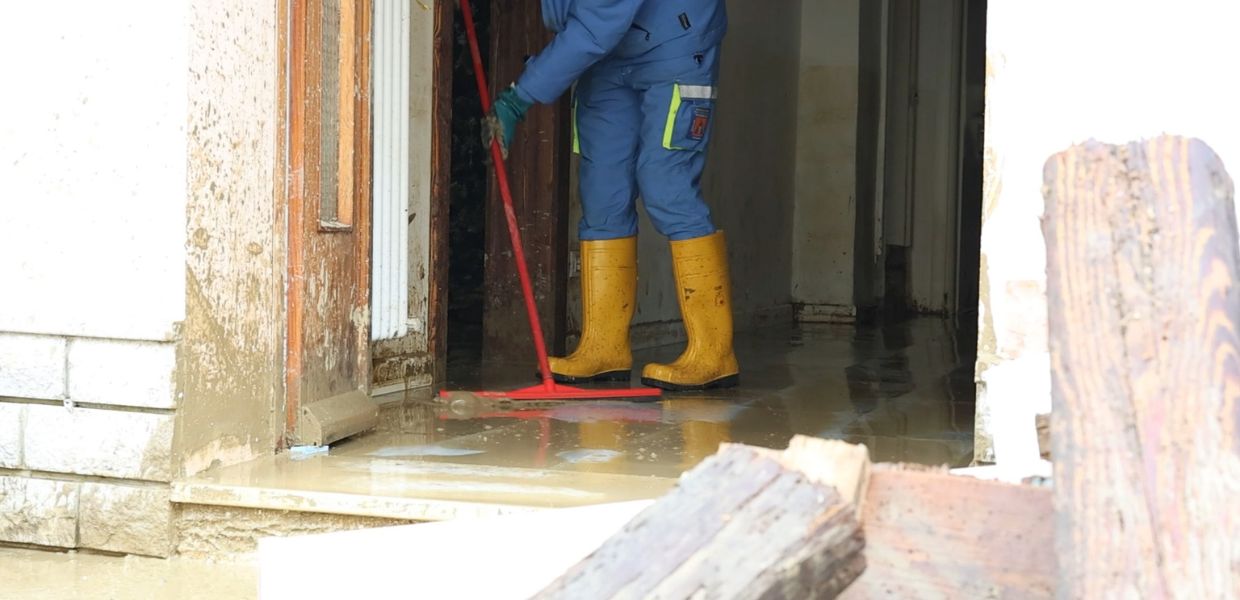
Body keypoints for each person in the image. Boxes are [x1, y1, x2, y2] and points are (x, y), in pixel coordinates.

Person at [485, 0, 737, 391]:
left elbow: (594, 25)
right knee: (602, 191)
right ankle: (603, 348)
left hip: (677, 42)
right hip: (610, 55)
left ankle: (713, 351)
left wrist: (520, 96)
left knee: (664, 184)